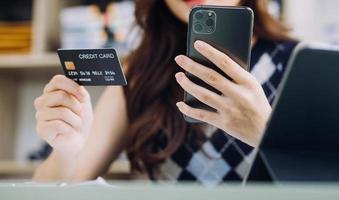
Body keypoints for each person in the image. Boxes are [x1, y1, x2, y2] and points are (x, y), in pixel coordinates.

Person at [33, 0, 297, 185]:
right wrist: (67, 149)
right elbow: (62, 183)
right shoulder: (141, 72)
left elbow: (330, 182)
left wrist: (264, 134)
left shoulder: (296, 61)